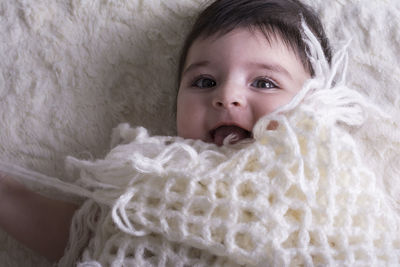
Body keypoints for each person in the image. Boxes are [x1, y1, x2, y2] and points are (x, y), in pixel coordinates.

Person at [0, 0, 331, 263]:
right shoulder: (153, 181)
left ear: (316, 104)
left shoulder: (320, 187)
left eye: (263, 82)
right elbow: (82, 236)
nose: (226, 96)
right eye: (204, 82)